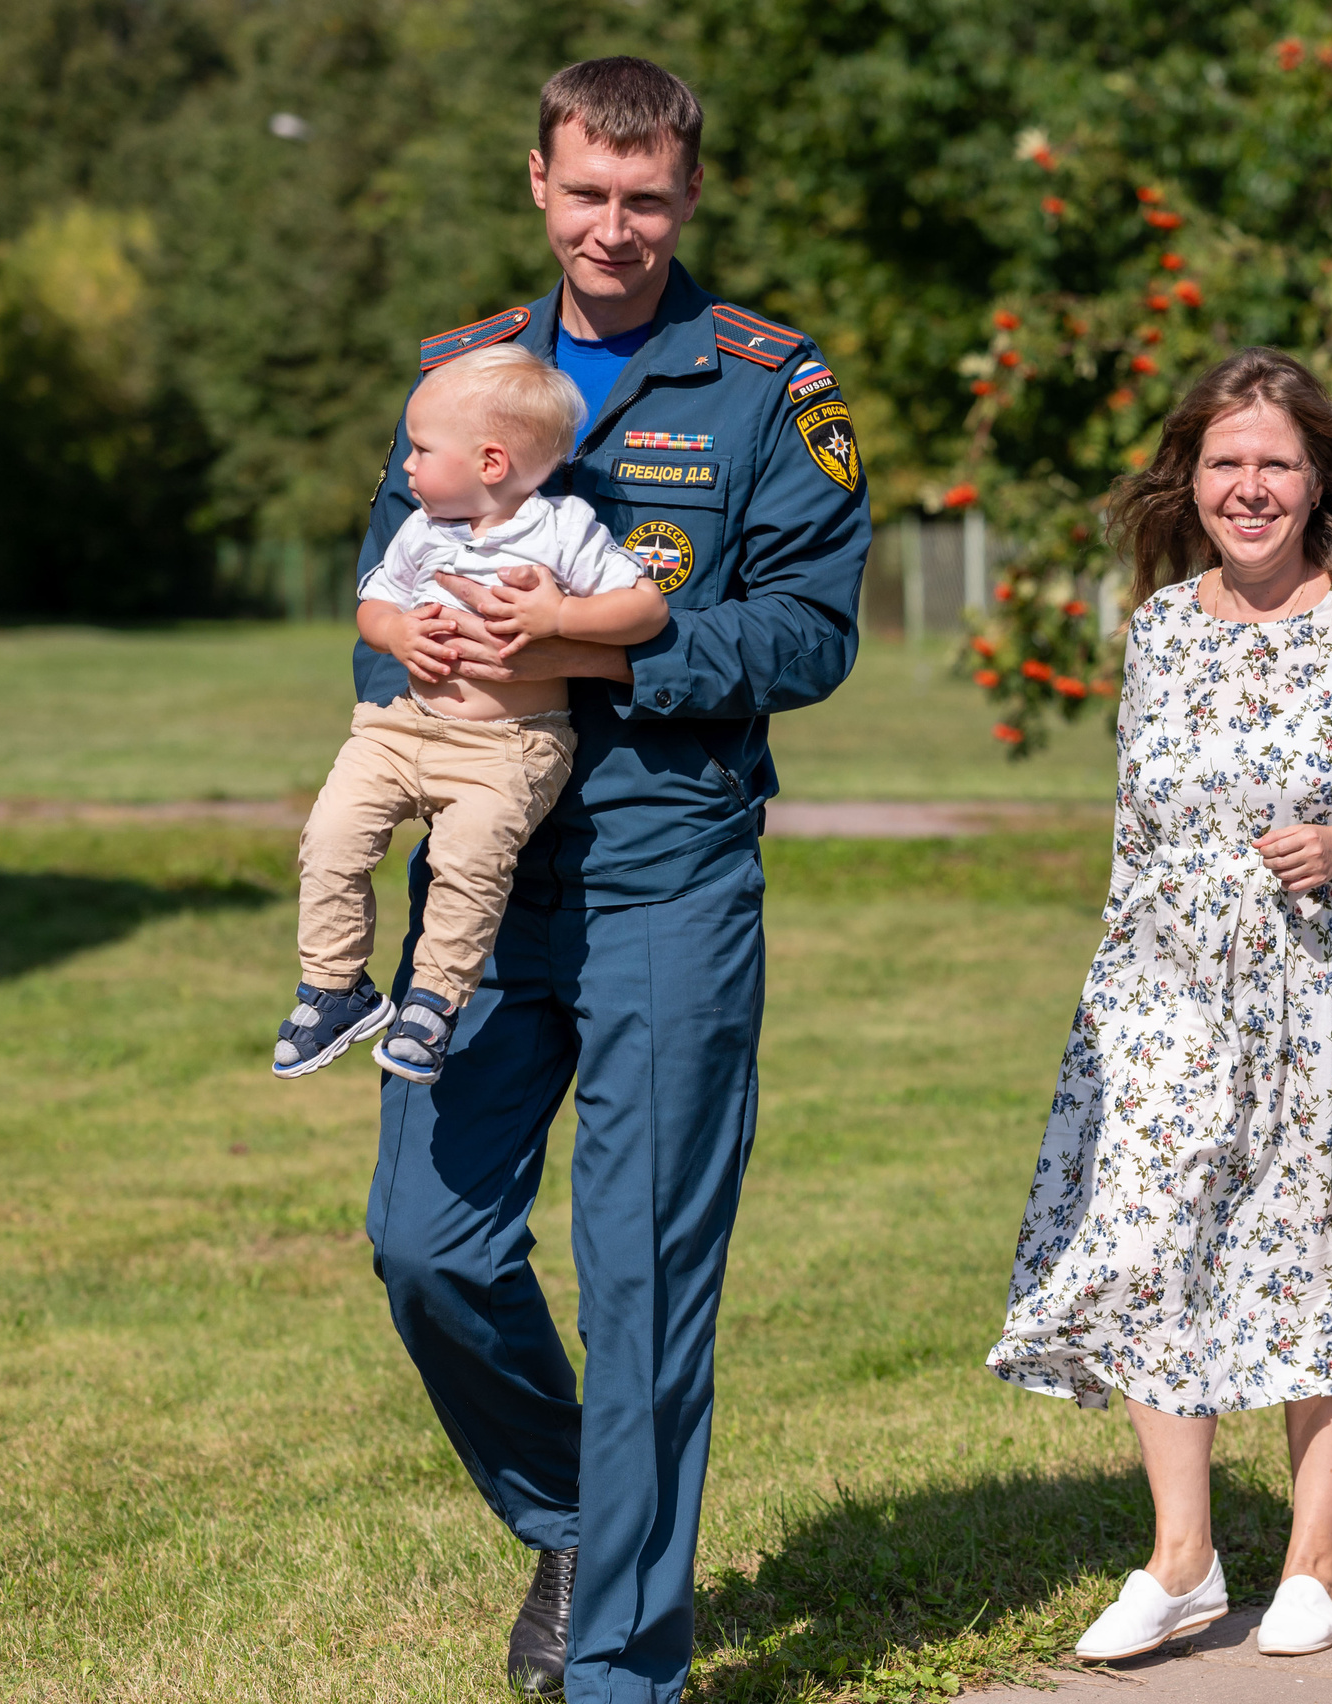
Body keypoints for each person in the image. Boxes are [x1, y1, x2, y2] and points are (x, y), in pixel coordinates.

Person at [352, 57, 869, 1702]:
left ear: (689, 199)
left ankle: (624, 1666)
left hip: (668, 872)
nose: (616, 227)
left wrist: (598, 637)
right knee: (423, 1238)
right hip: (482, 885)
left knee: (642, 1275)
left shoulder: (772, 387)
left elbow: (810, 632)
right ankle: (582, 1508)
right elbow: (378, 602)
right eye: (589, 192)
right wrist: (407, 649)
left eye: (648, 200)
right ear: (540, 184)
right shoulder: (457, 380)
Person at [985, 348, 1332, 1664]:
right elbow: (1137, 832)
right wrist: (1114, 990)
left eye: (1276, 462)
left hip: (1331, 1002)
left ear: (1321, 475)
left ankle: (1313, 1567)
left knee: (1323, 1261)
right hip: (1168, 1003)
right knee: (1156, 1250)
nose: (1250, 487)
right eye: (1226, 464)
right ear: (1190, 476)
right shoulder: (1159, 625)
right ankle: (1183, 1559)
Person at [278, 344, 666, 1085]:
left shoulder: (564, 529)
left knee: (468, 862)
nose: (409, 468)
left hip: (508, 747)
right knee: (330, 836)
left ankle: (432, 1002)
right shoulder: (425, 530)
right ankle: (335, 987)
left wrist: (563, 612)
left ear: (491, 463)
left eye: (422, 450)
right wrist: (398, 633)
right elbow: (373, 605)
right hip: (400, 729)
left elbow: (645, 609)